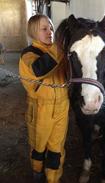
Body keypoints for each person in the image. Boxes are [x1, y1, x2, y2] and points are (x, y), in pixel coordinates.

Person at [19, 14, 69, 183]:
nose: (50, 32)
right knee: (38, 146)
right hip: (41, 109)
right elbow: (39, 69)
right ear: (33, 32)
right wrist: (60, 46)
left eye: (52, 28)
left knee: (57, 148)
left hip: (62, 107)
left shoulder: (60, 53)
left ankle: (53, 179)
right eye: (44, 29)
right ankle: (37, 173)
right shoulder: (28, 54)